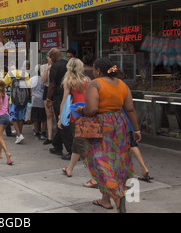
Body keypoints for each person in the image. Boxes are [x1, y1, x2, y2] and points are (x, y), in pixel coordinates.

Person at [75, 57, 141, 213]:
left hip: (101, 125)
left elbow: (91, 109)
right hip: (119, 124)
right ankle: (105, 200)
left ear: (98, 70)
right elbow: (130, 109)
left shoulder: (95, 83)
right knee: (117, 160)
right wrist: (136, 130)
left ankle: (117, 199)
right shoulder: (122, 84)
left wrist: (81, 110)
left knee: (101, 160)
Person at [57, 58, 95, 186]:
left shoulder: (69, 81)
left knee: (81, 146)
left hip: (76, 115)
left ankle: (94, 178)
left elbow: (64, 100)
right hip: (87, 113)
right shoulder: (87, 80)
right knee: (76, 145)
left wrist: (60, 117)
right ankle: (69, 169)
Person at [46, 48, 71, 157]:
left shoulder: (55, 67)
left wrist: (48, 99)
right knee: (63, 120)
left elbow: (52, 85)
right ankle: (57, 145)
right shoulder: (67, 64)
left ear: (53, 56)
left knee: (62, 122)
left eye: (50, 57)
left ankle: (70, 149)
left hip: (59, 96)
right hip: (69, 95)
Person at [3, 60, 31, 144]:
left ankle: (19, 135)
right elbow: (29, 86)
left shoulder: (11, 73)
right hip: (23, 99)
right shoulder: (25, 74)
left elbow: (4, 84)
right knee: (21, 117)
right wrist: (29, 97)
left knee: (13, 118)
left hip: (14, 100)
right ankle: (19, 134)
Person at [29, 66, 47, 140]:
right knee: (44, 118)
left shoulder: (31, 79)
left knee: (35, 118)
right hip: (42, 101)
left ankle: (36, 133)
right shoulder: (44, 79)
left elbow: (30, 90)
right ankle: (43, 132)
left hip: (34, 100)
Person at [41, 56, 54, 144]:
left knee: (56, 114)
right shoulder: (43, 67)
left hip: (56, 89)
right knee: (48, 114)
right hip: (47, 88)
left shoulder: (58, 65)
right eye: (49, 56)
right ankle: (49, 136)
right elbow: (43, 80)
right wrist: (47, 69)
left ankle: (57, 135)